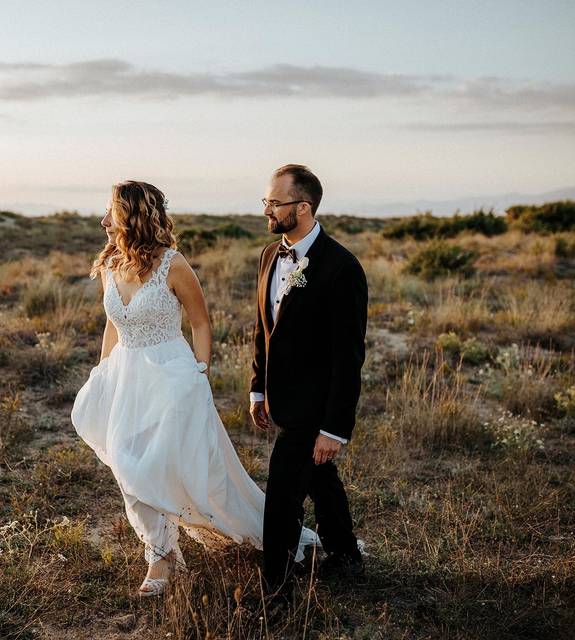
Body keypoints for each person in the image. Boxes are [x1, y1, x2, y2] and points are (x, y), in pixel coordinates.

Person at [71, 180, 320, 597]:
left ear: (131, 216)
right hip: (126, 376)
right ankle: (162, 552)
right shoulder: (111, 266)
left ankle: (165, 558)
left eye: (110, 212)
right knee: (129, 466)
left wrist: (199, 372)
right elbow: (112, 326)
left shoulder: (174, 264)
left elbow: (201, 321)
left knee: (174, 468)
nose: (103, 220)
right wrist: (102, 374)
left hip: (171, 376)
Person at [249, 164, 368, 604]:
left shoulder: (342, 269)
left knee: (281, 496)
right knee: (320, 477)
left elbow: (348, 357)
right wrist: (258, 388)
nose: (267, 210)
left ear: (303, 207)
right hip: (280, 399)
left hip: (315, 408)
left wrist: (333, 429)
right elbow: (263, 329)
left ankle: (274, 590)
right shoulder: (268, 255)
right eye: (266, 201)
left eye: (274, 203)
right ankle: (344, 552)